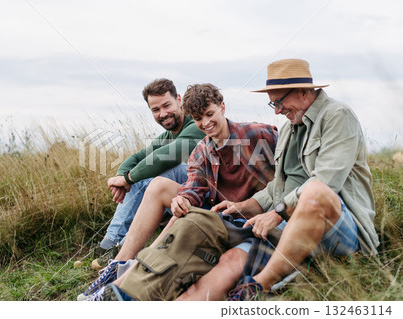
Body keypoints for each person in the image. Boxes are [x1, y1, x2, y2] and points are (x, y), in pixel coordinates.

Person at [179, 58, 379, 301]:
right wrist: (243, 207)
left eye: (279, 102)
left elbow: (326, 182)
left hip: (343, 230)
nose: (276, 110)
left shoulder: (338, 116)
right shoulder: (287, 128)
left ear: (304, 92)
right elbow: (280, 185)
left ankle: (256, 287)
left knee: (315, 191)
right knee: (230, 247)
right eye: (272, 103)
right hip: (296, 223)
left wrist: (277, 213)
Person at [78, 83, 278, 301]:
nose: (206, 123)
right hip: (223, 219)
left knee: (165, 183)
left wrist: (276, 203)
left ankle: (131, 273)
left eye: (210, 114)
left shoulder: (258, 134)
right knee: (164, 192)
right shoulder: (202, 150)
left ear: (222, 107)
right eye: (199, 119)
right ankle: (121, 268)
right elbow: (193, 185)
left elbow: (293, 165)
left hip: (265, 217)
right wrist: (182, 198)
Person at [91, 78, 205, 271]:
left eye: (167, 105)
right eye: (155, 110)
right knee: (143, 172)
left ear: (179, 99)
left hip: (205, 196)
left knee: (160, 171)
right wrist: (122, 177)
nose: (163, 114)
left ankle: (117, 247)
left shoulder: (196, 124)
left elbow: (169, 155)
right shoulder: (166, 137)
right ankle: (110, 245)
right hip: (181, 197)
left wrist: (129, 178)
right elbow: (137, 157)